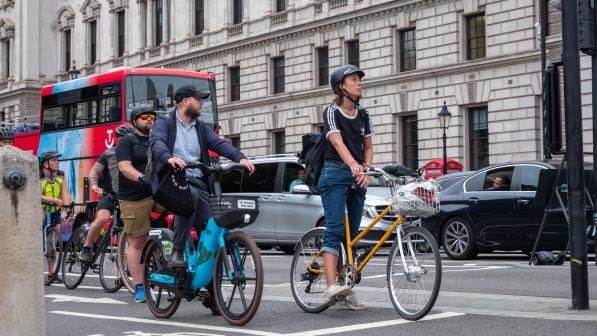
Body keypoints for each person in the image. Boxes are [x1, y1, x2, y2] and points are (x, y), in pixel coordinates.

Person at [150, 85, 255, 269]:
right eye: (198, 100)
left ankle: (210, 282)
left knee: (209, 224)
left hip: (198, 180)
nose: (201, 104)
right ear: (185, 101)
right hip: (174, 180)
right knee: (190, 199)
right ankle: (178, 250)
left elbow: (217, 143)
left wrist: (240, 158)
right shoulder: (165, 122)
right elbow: (157, 142)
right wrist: (169, 158)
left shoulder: (200, 127)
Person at [318, 65, 374, 310]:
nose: (359, 83)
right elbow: (337, 141)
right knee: (335, 229)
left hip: (357, 174)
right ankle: (331, 286)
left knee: (350, 234)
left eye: (359, 80)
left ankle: (345, 287)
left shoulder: (363, 113)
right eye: (354, 80)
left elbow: (368, 147)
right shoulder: (332, 111)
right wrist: (352, 164)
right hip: (334, 173)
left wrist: (366, 169)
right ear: (342, 86)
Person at [116, 106, 164, 303]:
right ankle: (139, 287)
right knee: (136, 243)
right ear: (135, 121)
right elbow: (124, 167)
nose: (149, 119)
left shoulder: (157, 140)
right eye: (144, 117)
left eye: (152, 116)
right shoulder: (128, 141)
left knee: (184, 210)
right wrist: (141, 177)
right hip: (133, 197)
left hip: (157, 193)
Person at [80, 125, 135, 262]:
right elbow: (94, 172)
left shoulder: (134, 155)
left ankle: (119, 273)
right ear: (117, 139)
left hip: (125, 197)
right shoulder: (109, 153)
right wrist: (94, 186)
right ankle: (86, 247)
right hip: (108, 195)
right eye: (122, 138)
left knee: (126, 233)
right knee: (102, 218)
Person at [39, 150, 71, 282]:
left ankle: (52, 273)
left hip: (55, 209)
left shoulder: (61, 176)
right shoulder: (38, 176)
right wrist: (55, 201)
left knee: (53, 242)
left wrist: (68, 206)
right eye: (53, 160)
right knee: (39, 229)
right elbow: (37, 195)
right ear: (45, 163)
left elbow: (64, 194)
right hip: (40, 207)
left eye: (57, 160)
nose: (56, 163)